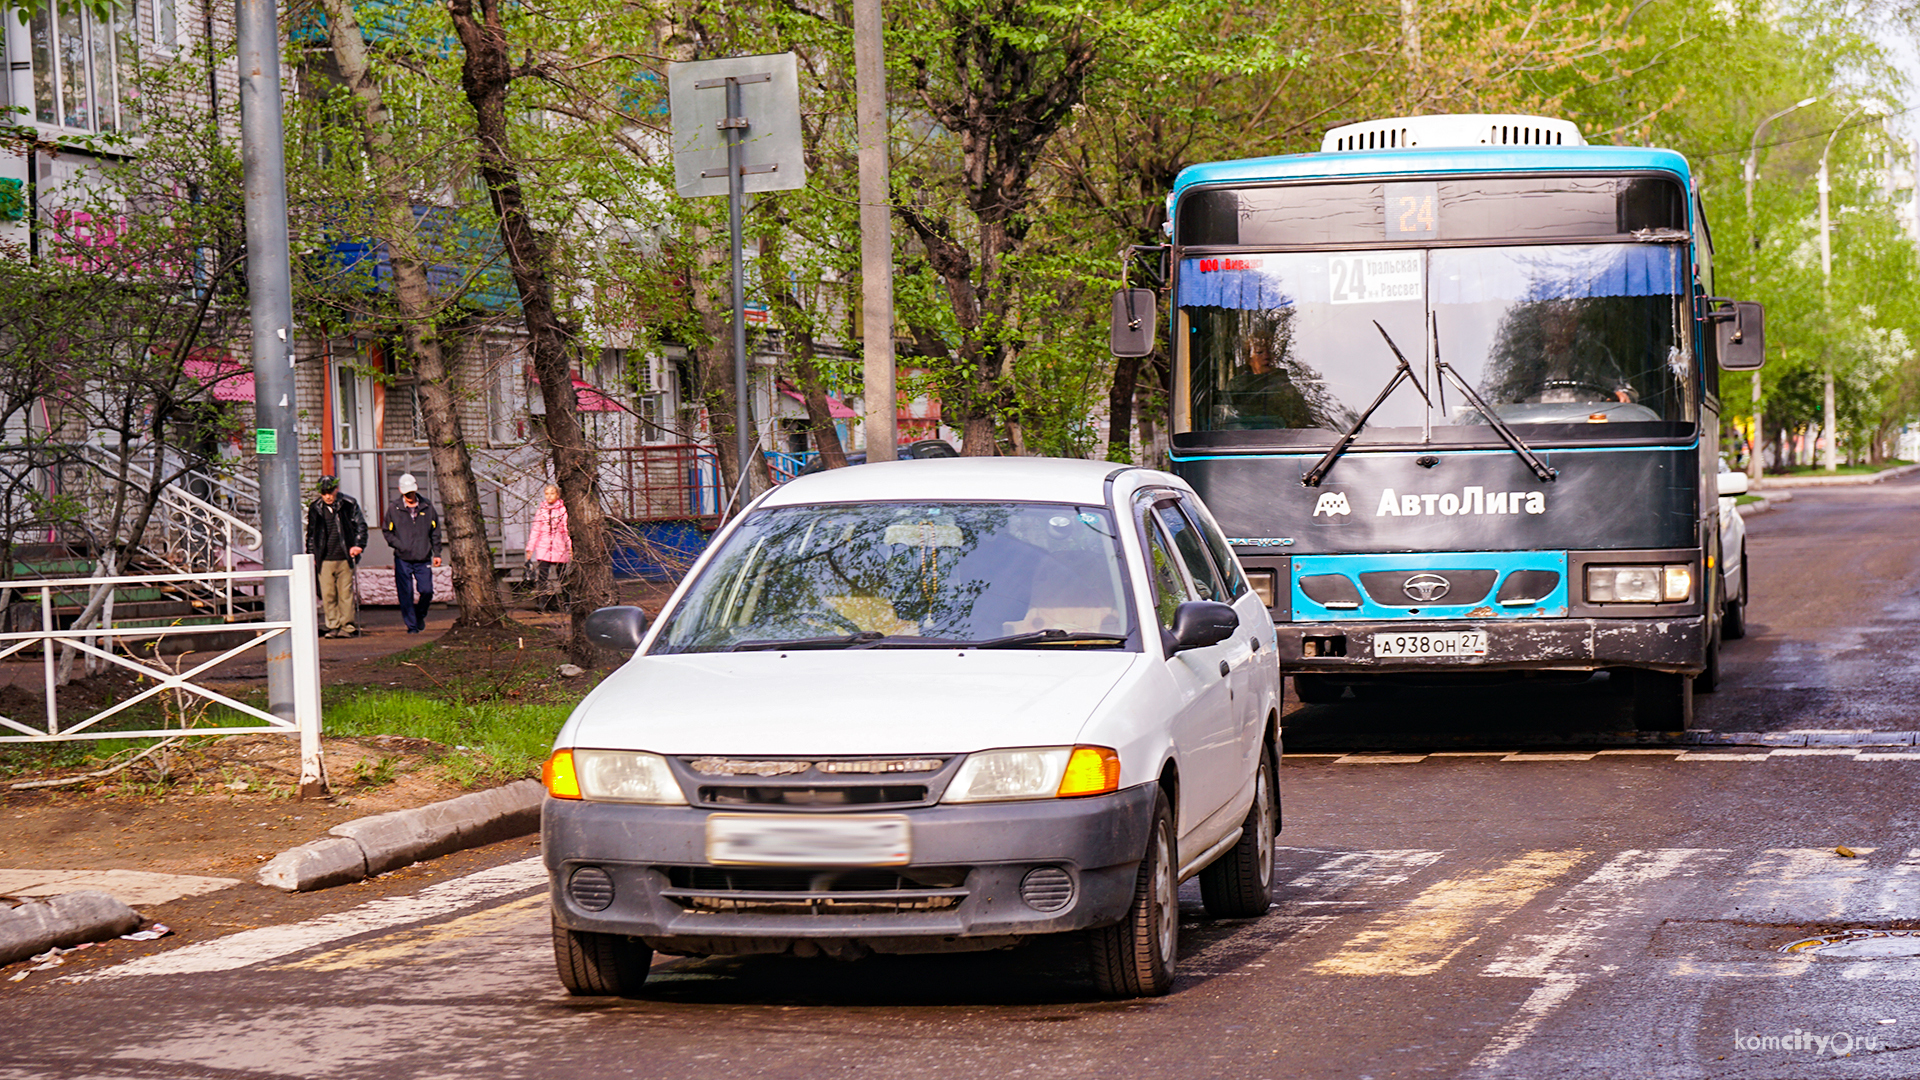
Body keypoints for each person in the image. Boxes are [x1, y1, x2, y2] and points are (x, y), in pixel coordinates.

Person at [304, 475, 367, 638]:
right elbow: (311, 534)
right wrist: (312, 554)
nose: (327, 496)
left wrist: (358, 546)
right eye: (324, 493)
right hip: (324, 557)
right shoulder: (315, 507)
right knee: (328, 593)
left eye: (330, 492)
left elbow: (361, 526)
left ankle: (347, 626)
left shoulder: (348, 504)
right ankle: (333, 625)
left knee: (345, 593)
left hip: (344, 555)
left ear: (336, 490)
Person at [381, 473, 442, 634]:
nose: (409, 496)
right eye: (406, 493)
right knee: (405, 593)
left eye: (411, 493)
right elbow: (387, 531)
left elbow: (435, 531)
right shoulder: (394, 508)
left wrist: (437, 553)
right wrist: (399, 545)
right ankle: (412, 626)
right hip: (403, 558)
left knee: (427, 590)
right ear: (401, 491)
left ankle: (419, 615)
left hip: (423, 557)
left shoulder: (427, 507)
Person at [524, 483, 571, 612]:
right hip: (543, 548)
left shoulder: (562, 510)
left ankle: (567, 603)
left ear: (557, 495)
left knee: (562, 577)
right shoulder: (541, 510)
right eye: (547, 493)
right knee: (542, 578)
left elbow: (565, 530)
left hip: (559, 547)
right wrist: (530, 548)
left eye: (552, 493)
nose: (549, 496)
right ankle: (542, 603)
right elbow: (536, 530)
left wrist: (569, 547)